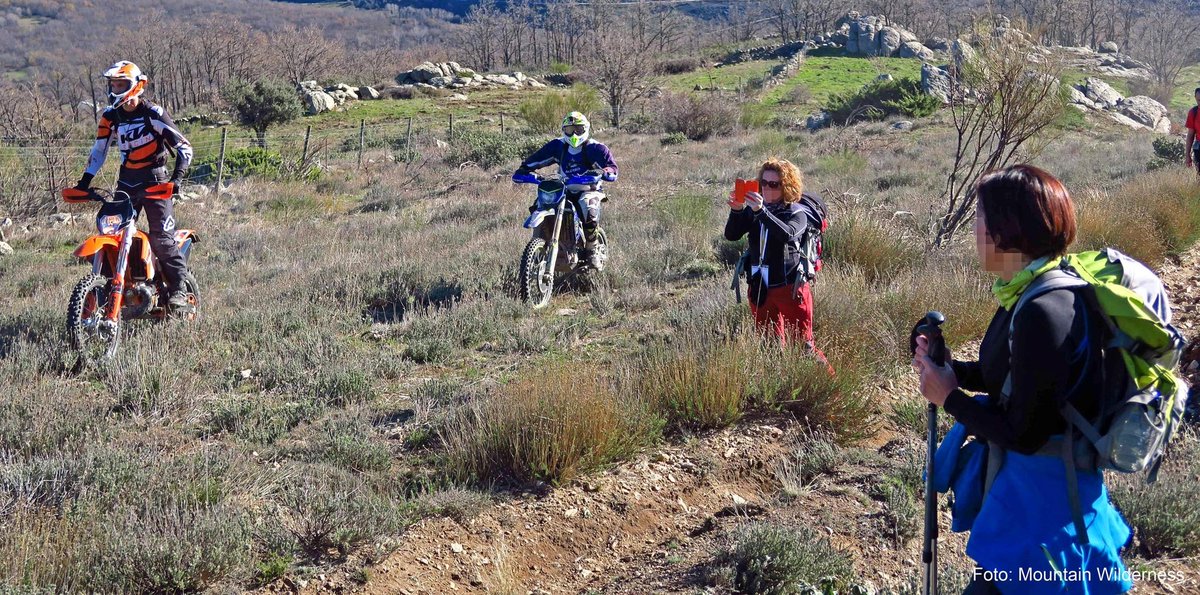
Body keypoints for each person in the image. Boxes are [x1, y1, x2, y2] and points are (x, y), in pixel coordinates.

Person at [912, 164, 1132, 594]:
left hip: (1047, 511)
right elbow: (1016, 379)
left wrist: (950, 397)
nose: (974, 230)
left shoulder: (1043, 309)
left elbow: (1025, 432)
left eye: (980, 219)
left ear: (1006, 230)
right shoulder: (1027, 292)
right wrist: (949, 370)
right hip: (1036, 501)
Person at [74, 60, 195, 310]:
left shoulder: (154, 114)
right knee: (111, 234)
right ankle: (112, 289)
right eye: (113, 84)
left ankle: (179, 290)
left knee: (161, 238)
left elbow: (184, 147)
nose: (116, 89)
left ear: (136, 85)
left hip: (155, 182)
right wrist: (84, 182)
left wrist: (177, 179)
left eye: (121, 84)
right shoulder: (110, 117)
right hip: (126, 183)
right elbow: (99, 151)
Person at [724, 158, 828, 362]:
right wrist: (736, 210)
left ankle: (832, 390)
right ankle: (781, 391)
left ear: (786, 186)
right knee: (768, 347)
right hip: (760, 287)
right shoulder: (753, 210)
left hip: (790, 288)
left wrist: (761, 212)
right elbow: (732, 235)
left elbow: (788, 234)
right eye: (763, 183)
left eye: (774, 184)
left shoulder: (796, 212)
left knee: (803, 348)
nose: (767, 188)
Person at [512, 112, 617, 270]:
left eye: (578, 129)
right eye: (569, 129)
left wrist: (607, 172)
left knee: (589, 212)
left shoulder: (596, 148)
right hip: (563, 188)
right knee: (539, 204)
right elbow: (537, 158)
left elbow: (611, 167)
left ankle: (592, 249)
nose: (574, 133)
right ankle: (540, 247)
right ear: (563, 130)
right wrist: (524, 169)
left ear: (586, 128)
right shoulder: (558, 146)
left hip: (589, 188)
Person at [1185, 87, 1200, 174]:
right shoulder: (1193, 112)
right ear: (1195, 98)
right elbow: (1190, 135)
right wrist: (1187, 155)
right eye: (1199, 100)